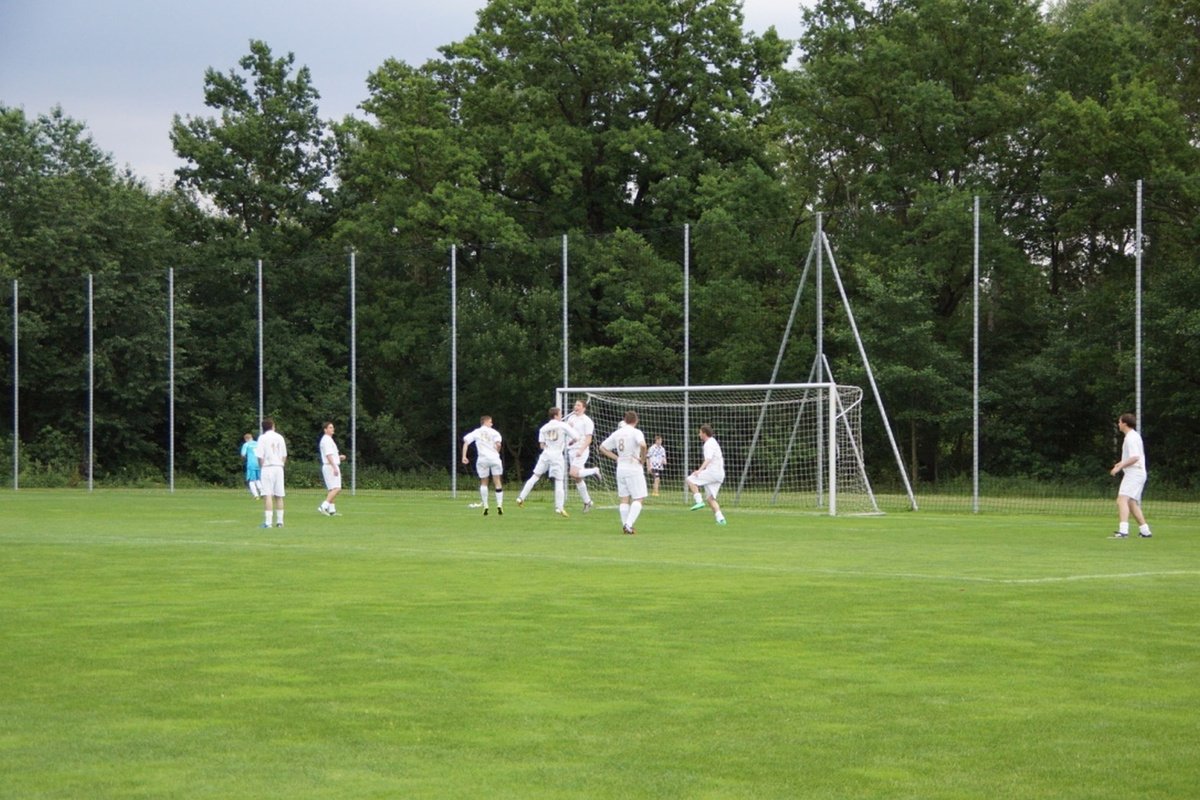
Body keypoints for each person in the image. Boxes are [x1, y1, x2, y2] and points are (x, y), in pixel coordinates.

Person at [516, 407, 577, 517]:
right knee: (559, 481)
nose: (561, 415)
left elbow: (541, 445)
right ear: (556, 415)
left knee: (535, 476)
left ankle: (521, 497)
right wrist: (570, 440)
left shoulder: (543, 428)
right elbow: (576, 437)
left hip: (546, 454)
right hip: (557, 456)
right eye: (560, 414)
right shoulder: (563, 425)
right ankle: (559, 507)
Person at [600, 410, 648, 535]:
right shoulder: (636, 432)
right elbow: (643, 445)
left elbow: (602, 447)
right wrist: (643, 459)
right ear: (636, 420)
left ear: (625, 420)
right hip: (633, 466)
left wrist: (616, 458)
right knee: (639, 497)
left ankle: (625, 525)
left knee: (624, 499)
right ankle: (628, 524)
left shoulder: (617, 433)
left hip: (621, 468)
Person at [1110, 413, 1152, 539]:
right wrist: (1121, 463)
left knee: (1121, 500)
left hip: (1134, 474)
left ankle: (1123, 531)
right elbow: (1133, 457)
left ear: (1124, 423)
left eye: (1119, 422)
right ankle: (1145, 531)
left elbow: (1135, 457)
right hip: (1137, 473)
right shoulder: (1133, 436)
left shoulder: (1131, 438)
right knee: (1131, 502)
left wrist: (1120, 467)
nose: (1118, 424)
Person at [461, 414, 505, 516]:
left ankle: (485, 505)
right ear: (485, 422)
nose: (492, 424)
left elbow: (466, 442)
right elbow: (498, 444)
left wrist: (464, 456)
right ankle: (499, 505)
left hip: (482, 459)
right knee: (497, 481)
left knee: (484, 482)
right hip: (494, 458)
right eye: (490, 422)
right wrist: (497, 451)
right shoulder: (495, 432)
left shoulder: (476, 432)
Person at [686, 424, 727, 525]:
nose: (699, 434)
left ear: (704, 433)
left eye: (700, 432)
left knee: (690, 479)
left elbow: (708, 459)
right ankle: (721, 519)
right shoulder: (713, 442)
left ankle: (698, 501)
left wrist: (699, 470)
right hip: (719, 474)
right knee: (710, 499)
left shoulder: (708, 444)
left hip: (713, 472)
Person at [566, 398, 602, 512]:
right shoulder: (571, 418)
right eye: (575, 405)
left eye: (578, 405)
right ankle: (587, 502)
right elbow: (569, 434)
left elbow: (588, 439)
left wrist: (581, 450)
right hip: (571, 449)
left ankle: (594, 471)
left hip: (581, 450)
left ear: (584, 408)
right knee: (577, 478)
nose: (575, 407)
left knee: (572, 473)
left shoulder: (587, 421)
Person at [256, 417, 288, 528]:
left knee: (268, 494)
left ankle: (268, 522)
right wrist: (281, 465)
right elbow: (284, 455)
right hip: (279, 467)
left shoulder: (262, 438)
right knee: (279, 495)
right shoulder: (280, 437)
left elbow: (260, 456)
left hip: (267, 467)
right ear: (273, 426)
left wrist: (262, 466)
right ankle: (280, 522)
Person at [318, 421, 347, 516]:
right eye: (330, 427)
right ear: (325, 430)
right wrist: (334, 467)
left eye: (332, 427)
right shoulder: (326, 440)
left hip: (330, 465)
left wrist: (338, 457)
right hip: (330, 466)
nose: (332, 429)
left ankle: (332, 510)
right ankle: (323, 506)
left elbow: (331, 455)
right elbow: (328, 455)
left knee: (332, 489)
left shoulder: (329, 439)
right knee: (337, 488)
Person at [240, 432, 262, 499]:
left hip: (251, 464)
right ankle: (262, 493)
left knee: (251, 480)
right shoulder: (257, 443)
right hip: (258, 463)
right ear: (252, 437)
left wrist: (245, 458)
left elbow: (243, 454)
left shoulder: (246, 444)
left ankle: (256, 495)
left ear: (246, 439)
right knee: (258, 479)